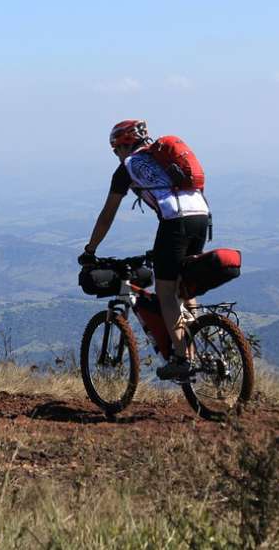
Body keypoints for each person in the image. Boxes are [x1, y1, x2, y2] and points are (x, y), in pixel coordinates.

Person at [78, 120, 211, 380]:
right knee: (184, 286)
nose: (117, 156)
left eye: (116, 150)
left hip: (176, 222)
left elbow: (107, 215)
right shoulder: (161, 158)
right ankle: (196, 340)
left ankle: (184, 358)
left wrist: (90, 249)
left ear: (124, 145)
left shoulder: (128, 168)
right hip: (202, 217)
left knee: (166, 293)